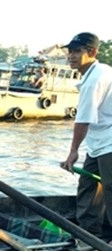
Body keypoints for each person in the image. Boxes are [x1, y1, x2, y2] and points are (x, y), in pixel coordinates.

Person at [59, 32, 112, 240]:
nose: (71, 56)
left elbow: (83, 120)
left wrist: (73, 152)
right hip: (99, 143)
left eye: (77, 51)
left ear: (92, 53)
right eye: (70, 51)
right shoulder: (100, 71)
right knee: (88, 186)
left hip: (109, 144)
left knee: (110, 189)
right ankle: (90, 236)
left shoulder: (95, 79)